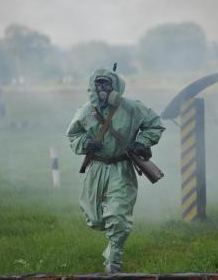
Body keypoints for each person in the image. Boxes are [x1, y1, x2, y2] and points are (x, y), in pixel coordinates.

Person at [66, 67, 165, 273]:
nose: (102, 88)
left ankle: (114, 261)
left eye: (107, 84)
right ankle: (111, 241)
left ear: (116, 86)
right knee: (95, 218)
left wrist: (141, 142)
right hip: (96, 169)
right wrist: (87, 143)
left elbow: (155, 124)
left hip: (121, 168)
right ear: (92, 86)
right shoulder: (86, 111)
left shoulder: (131, 108)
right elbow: (73, 136)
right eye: (99, 84)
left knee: (118, 216)